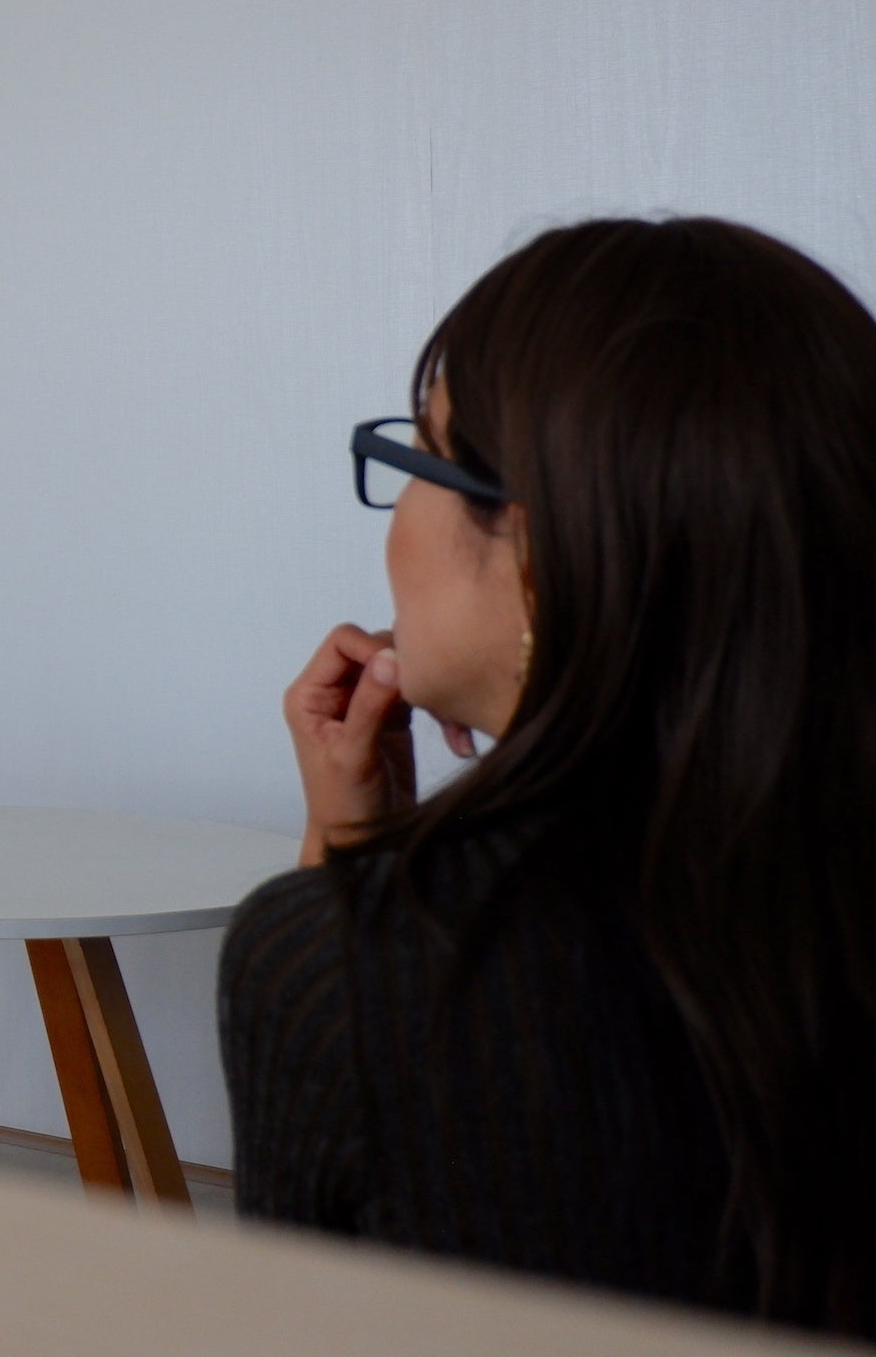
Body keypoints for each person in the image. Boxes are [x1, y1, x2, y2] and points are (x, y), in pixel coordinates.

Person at [219, 217, 876, 1335]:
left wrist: (346, 880)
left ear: (532, 552)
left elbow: (294, 1326)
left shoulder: (343, 966)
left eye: (415, 461)